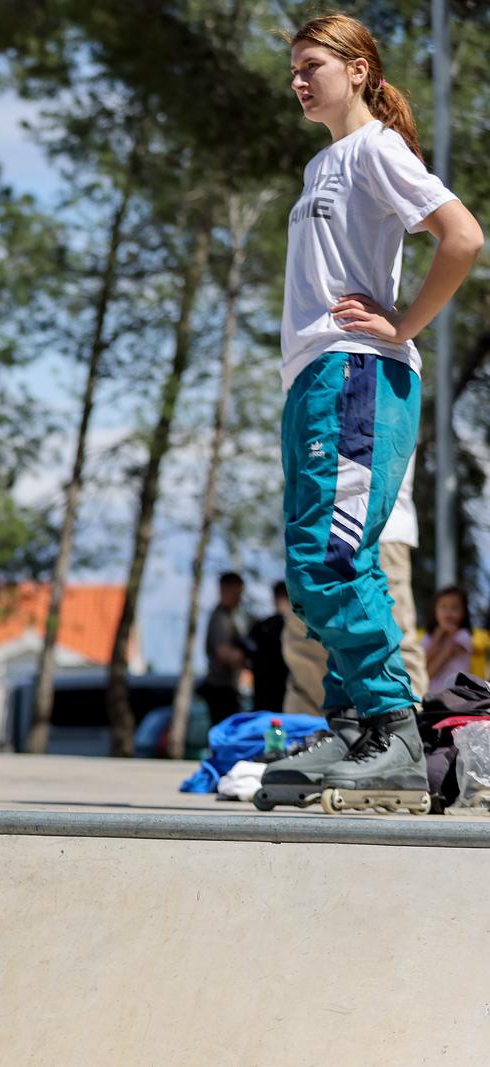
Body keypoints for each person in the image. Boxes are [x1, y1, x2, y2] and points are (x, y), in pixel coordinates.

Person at [260, 13, 482, 815]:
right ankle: (353, 725)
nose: (298, 79)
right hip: (314, 378)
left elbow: (461, 235)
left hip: (358, 372)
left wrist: (404, 324)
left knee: (334, 557)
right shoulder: (324, 161)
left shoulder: (377, 149)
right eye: (294, 67)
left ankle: (391, 733)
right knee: (309, 570)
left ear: (358, 70)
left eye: (312, 64)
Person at [280, 454, 429, 713]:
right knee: (305, 646)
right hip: (314, 524)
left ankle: (407, 739)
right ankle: (311, 738)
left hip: (375, 525)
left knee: (391, 642)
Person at [198, 572, 248, 724]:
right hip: (220, 689)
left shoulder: (232, 616)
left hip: (228, 687)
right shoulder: (220, 618)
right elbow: (224, 654)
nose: (238, 599)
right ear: (223, 590)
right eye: (235, 594)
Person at [245, 581, 292, 714]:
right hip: (289, 699)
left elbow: (245, 657)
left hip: (262, 700)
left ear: (275, 599)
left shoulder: (259, 628)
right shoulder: (300, 630)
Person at [423, 586, 474, 698]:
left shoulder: (462, 636)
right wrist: (438, 635)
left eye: (454, 608)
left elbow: (431, 670)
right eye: (443, 607)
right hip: (431, 695)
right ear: (435, 610)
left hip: (454, 697)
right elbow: (423, 660)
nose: (448, 612)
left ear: (464, 612)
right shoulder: (429, 637)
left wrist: (449, 636)